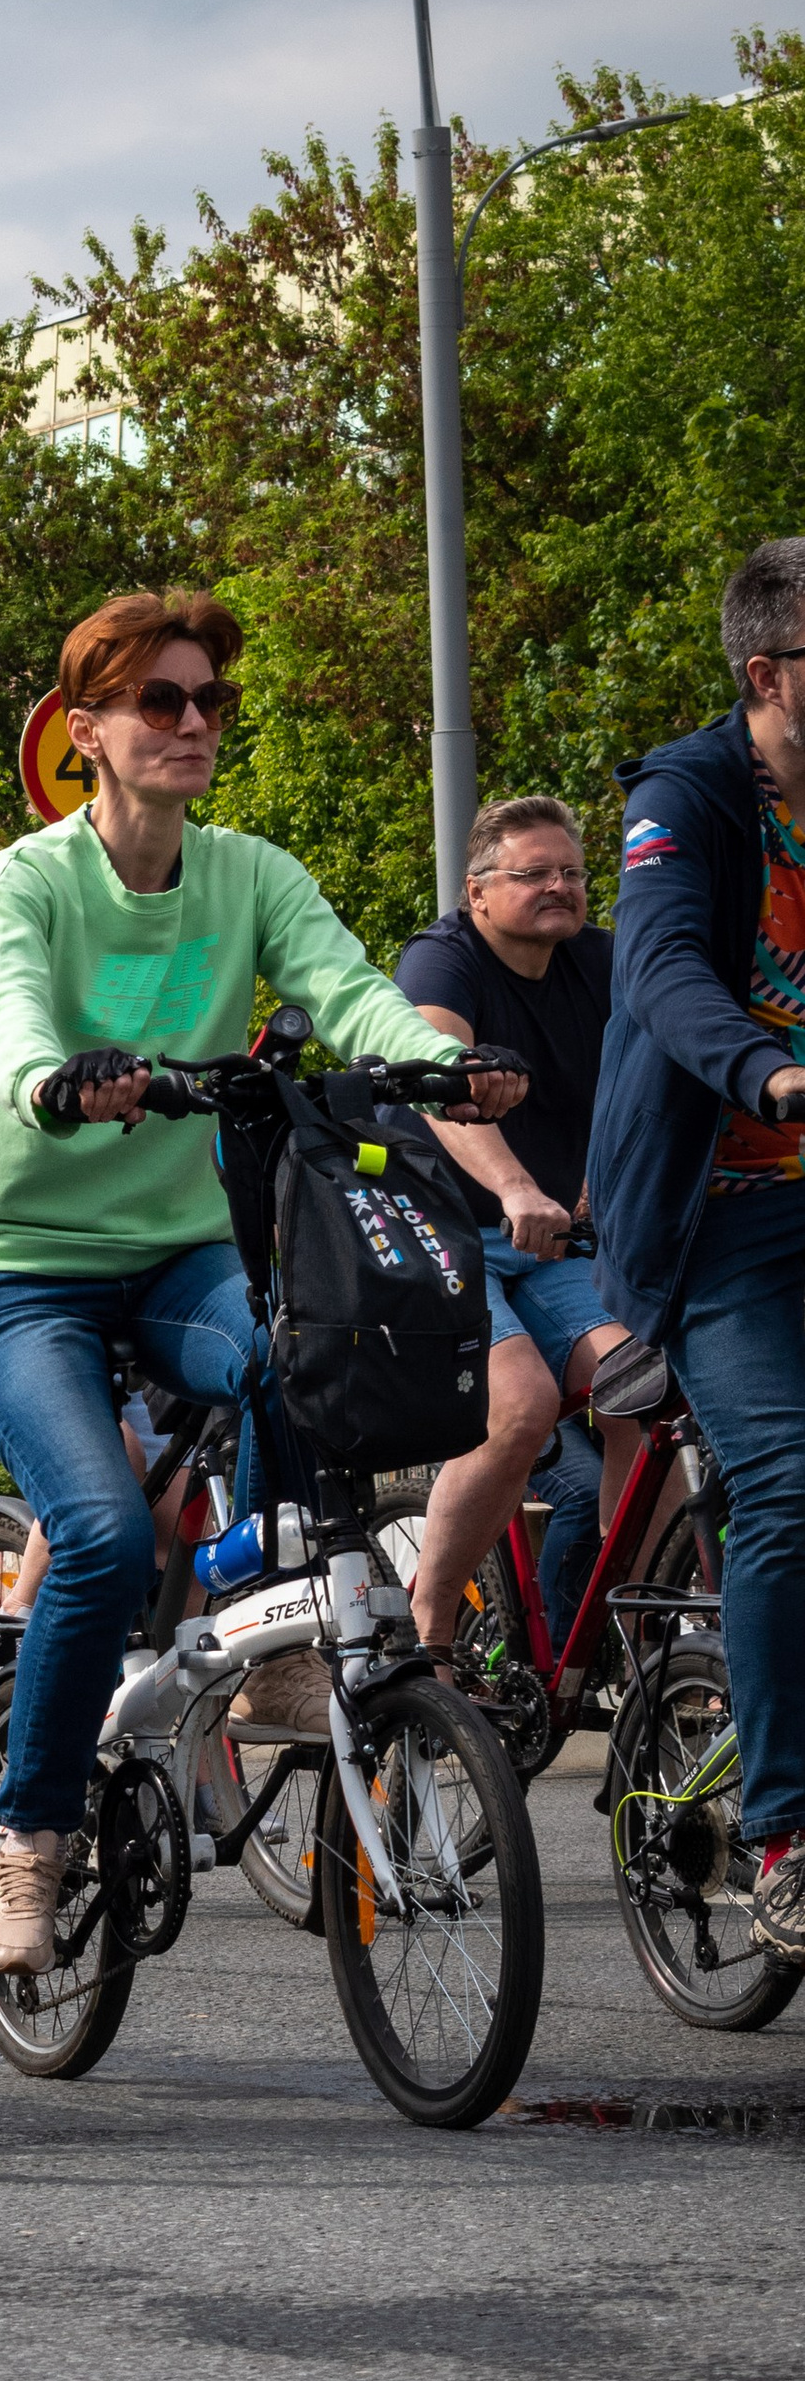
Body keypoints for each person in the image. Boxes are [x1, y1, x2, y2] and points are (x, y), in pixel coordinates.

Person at [0, 588, 523, 1975]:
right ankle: (31, 1833)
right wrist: (52, 1075)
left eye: (210, 703)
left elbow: (348, 983)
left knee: (303, 1356)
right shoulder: (25, 881)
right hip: (19, 1270)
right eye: (162, 702)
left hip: (178, 1254)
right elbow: (4, 1009)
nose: (194, 724)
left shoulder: (248, 873)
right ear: (87, 733)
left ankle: (259, 1626)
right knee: (96, 1537)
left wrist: (438, 1064)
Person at [586, 535, 805, 1960]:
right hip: (722, 1212)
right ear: (768, 675)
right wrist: (769, 1074)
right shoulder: (692, 795)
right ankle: (790, 1835)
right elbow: (662, 967)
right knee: (793, 1477)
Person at [394, 796, 636, 1653]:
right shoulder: (442, 960)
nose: (560, 887)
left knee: (640, 1390)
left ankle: (626, 1626)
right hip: (443, 1237)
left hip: (556, 1242)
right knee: (523, 1404)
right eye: (534, 873)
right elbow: (436, 1081)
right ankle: (430, 1625)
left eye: (571, 872)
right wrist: (517, 1187)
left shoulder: (602, 962)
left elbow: (667, 1070)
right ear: (478, 891)